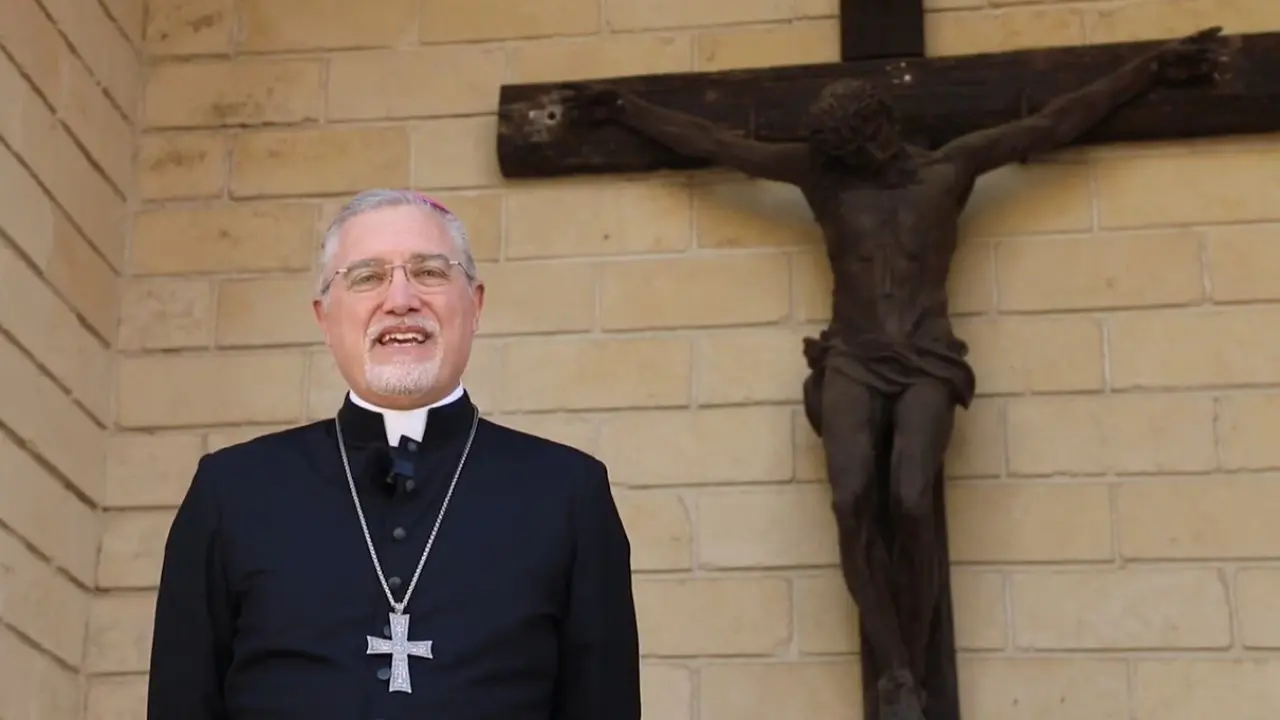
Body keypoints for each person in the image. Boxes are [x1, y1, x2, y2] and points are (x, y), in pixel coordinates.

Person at [146, 189, 642, 719]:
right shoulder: (233, 490)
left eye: (429, 272)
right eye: (366, 277)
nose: (400, 299)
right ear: (324, 317)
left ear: (474, 305)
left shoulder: (567, 493)